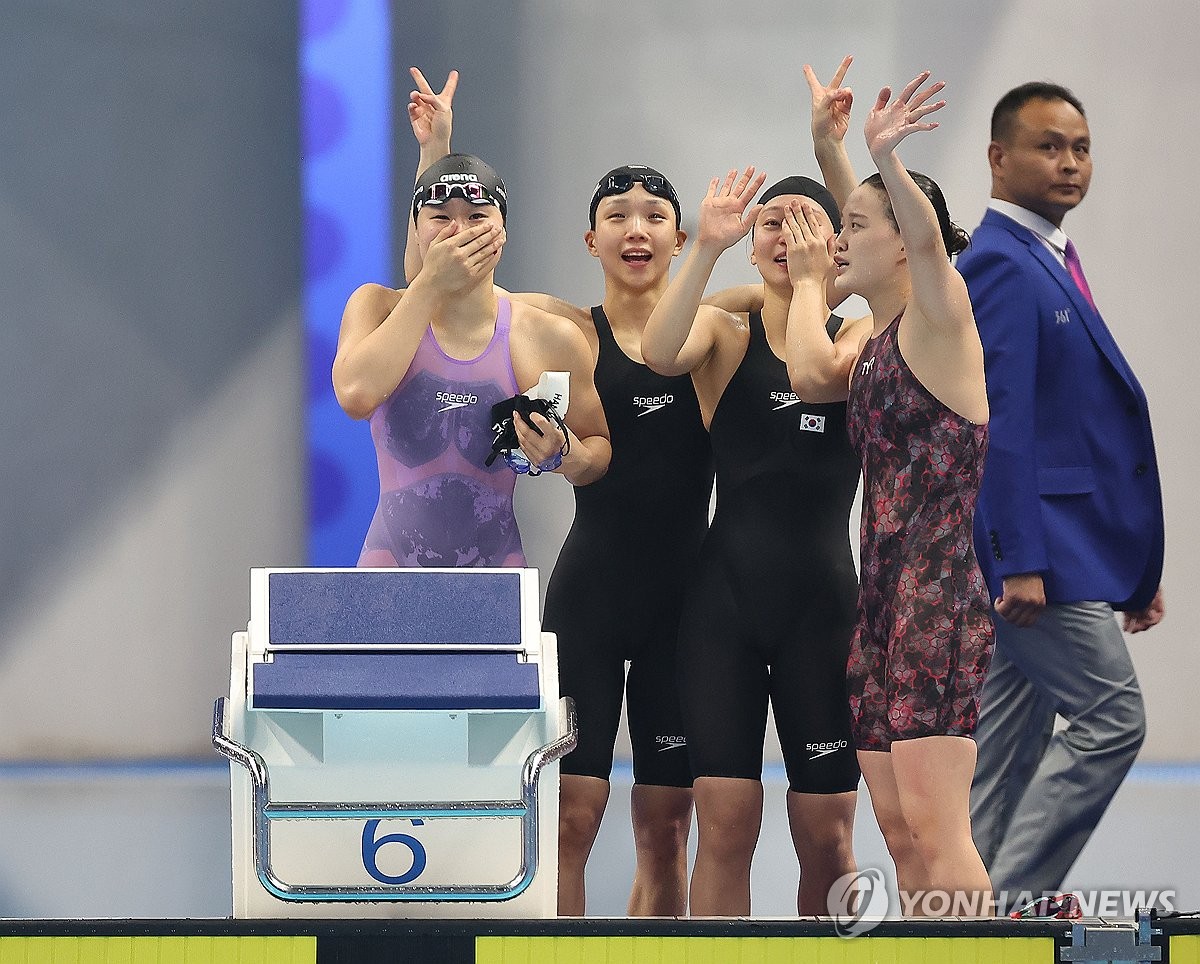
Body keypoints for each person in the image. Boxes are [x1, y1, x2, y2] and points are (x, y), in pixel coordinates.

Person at [403, 69, 711, 917]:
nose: (636, 230)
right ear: (590, 241)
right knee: (570, 817)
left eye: (654, 218)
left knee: (666, 824)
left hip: (686, 606)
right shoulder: (558, 326)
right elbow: (443, 281)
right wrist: (436, 154)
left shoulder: (711, 339)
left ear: (681, 239)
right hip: (592, 595)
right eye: (617, 217)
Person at [786, 65, 994, 911]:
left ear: (905, 241)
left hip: (938, 601)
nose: (837, 241)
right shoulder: (878, 333)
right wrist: (830, 149)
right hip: (883, 603)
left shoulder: (942, 321)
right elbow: (873, 221)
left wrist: (886, 159)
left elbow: (922, 241)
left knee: (940, 832)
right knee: (898, 830)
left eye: (854, 228)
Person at [959, 81, 1165, 900]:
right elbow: (999, 426)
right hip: (1039, 556)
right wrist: (1015, 561)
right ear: (998, 158)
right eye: (1050, 146)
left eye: (1080, 147)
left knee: (1010, 746)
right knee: (1114, 720)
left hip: (1066, 552)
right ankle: (1008, 907)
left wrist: (1135, 573)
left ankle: (958, 917)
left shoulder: (1048, 255)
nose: (1071, 162)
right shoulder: (1002, 264)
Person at [642, 166, 865, 916]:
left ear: (837, 246)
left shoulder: (858, 339)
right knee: (725, 828)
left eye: (805, 221)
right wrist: (703, 246)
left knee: (829, 835)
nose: (784, 233)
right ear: (750, 242)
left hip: (823, 610)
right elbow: (659, 352)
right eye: (771, 220)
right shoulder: (726, 334)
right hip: (723, 612)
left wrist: (814, 289)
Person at [332, 149, 610, 568]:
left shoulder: (545, 335)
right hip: (388, 568)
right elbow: (355, 395)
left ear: (503, 231)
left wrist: (564, 454)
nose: (458, 231)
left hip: (496, 573)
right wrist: (430, 284)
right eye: (440, 217)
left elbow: (598, 452)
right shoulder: (378, 308)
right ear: (417, 230)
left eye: (478, 216)